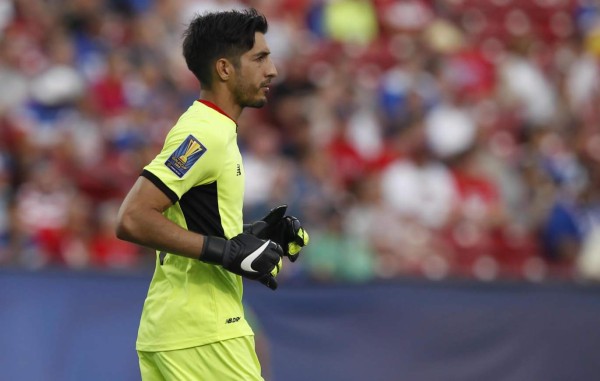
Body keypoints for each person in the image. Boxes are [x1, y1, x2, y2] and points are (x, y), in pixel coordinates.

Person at [115, 8, 309, 381]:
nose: (272, 71)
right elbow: (133, 217)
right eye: (260, 58)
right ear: (224, 68)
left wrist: (250, 236)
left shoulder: (209, 128)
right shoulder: (207, 134)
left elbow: (186, 222)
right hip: (205, 334)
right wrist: (226, 251)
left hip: (176, 329)